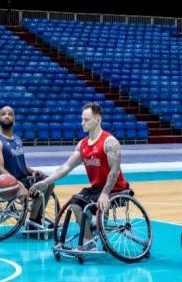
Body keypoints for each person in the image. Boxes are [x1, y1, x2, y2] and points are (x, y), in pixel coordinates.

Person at [30, 103, 128, 250]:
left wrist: (105, 193)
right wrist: (46, 182)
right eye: (82, 119)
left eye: (86, 119)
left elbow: (114, 171)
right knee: (75, 203)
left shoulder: (110, 142)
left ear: (97, 120)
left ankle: (94, 232)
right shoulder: (82, 145)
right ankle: (90, 242)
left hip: (115, 188)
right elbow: (66, 167)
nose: (82, 123)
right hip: (96, 188)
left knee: (91, 202)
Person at [0, 106, 52, 227]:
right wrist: (17, 184)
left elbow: (20, 165)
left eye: (10, 114)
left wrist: (33, 172)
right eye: (3, 114)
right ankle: (33, 222)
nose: (7, 116)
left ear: (14, 119)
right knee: (41, 188)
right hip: (7, 183)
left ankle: (35, 218)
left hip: (23, 180)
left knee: (49, 181)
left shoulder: (17, 139)